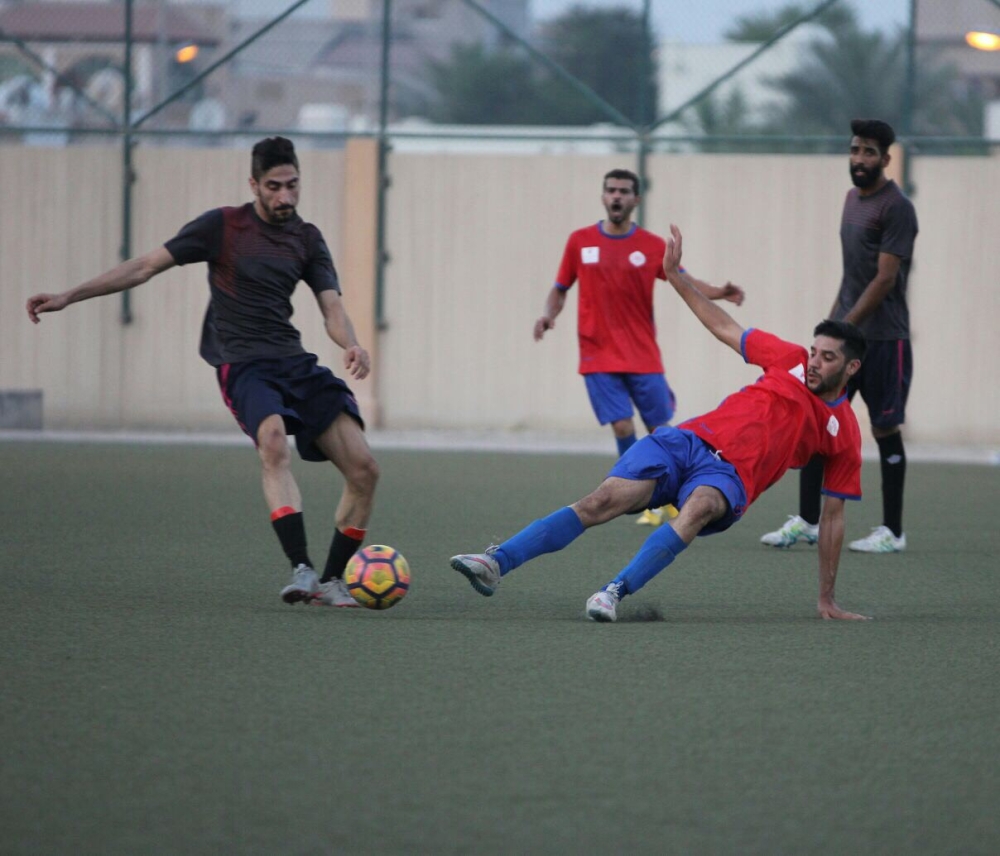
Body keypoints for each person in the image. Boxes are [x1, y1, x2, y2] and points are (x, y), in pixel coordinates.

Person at [452, 225, 870, 623]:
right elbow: (723, 325)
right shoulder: (789, 358)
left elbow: (833, 518)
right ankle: (496, 562)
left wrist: (826, 597)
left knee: (700, 507)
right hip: (685, 441)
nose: (814, 362)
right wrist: (675, 277)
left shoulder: (844, 431)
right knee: (601, 501)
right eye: (814, 352)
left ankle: (612, 592)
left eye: (827, 358)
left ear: (851, 367)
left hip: (730, 476)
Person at [26, 136, 378, 608]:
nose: (285, 196)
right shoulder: (223, 226)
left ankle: (331, 582)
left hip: (293, 362)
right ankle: (302, 568)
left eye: (293, 185)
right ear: (253, 184)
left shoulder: (307, 238)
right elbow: (144, 266)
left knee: (364, 469)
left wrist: (351, 343)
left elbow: (331, 307)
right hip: (243, 363)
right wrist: (69, 296)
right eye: (274, 186)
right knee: (273, 442)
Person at [534, 168, 744, 527]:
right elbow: (560, 287)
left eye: (623, 191)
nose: (616, 196)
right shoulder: (580, 241)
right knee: (621, 426)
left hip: (642, 355)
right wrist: (548, 315)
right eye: (611, 190)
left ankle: (674, 496)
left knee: (661, 429)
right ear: (603, 196)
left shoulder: (650, 246)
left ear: (636, 199)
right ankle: (635, 493)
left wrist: (720, 292)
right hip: (598, 355)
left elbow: (684, 279)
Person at [761, 119, 918, 554]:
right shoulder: (851, 200)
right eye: (854, 150)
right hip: (846, 337)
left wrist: (845, 329)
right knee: (816, 420)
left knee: (884, 427)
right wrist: (831, 328)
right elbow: (853, 276)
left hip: (885, 340)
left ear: (885, 159)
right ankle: (809, 521)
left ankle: (892, 532)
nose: (859, 159)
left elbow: (884, 279)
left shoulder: (897, 208)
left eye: (869, 152)